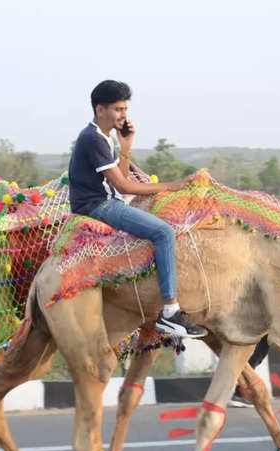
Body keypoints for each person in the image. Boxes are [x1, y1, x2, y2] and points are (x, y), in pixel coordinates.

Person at [68, 80, 207, 338]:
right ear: (101, 110)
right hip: (98, 206)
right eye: (118, 109)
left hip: (109, 200)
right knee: (164, 232)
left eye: (125, 110)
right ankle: (170, 312)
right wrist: (172, 187)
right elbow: (124, 186)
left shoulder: (102, 137)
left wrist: (126, 148)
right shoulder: (92, 139)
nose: (123, 115)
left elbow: (119, 182)